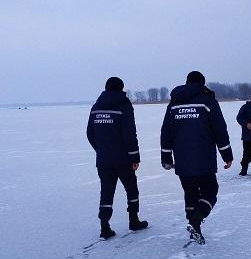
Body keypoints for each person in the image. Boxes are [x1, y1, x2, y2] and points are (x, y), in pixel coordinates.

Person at [160, 71, 233, 244]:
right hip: (204, 158)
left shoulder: (174, 103)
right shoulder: (208, 101)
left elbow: (166, 132)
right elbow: (219, 129)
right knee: (210, 191)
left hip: (182, 159)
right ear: (202, 83)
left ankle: (195, 226)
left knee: (190, 193)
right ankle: (195, 221)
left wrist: (166, 157)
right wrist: (227, 155)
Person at [87, 77, 148, 239]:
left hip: (104, 159)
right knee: (131, 189)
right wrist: (135, 156)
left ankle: (104, 227)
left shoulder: (96, 106)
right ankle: (134, 220)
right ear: (121, 89)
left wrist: (100, 150)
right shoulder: (124, 105)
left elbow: (90, 133)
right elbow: (129, 133)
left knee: (106, 191)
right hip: (123, 159)